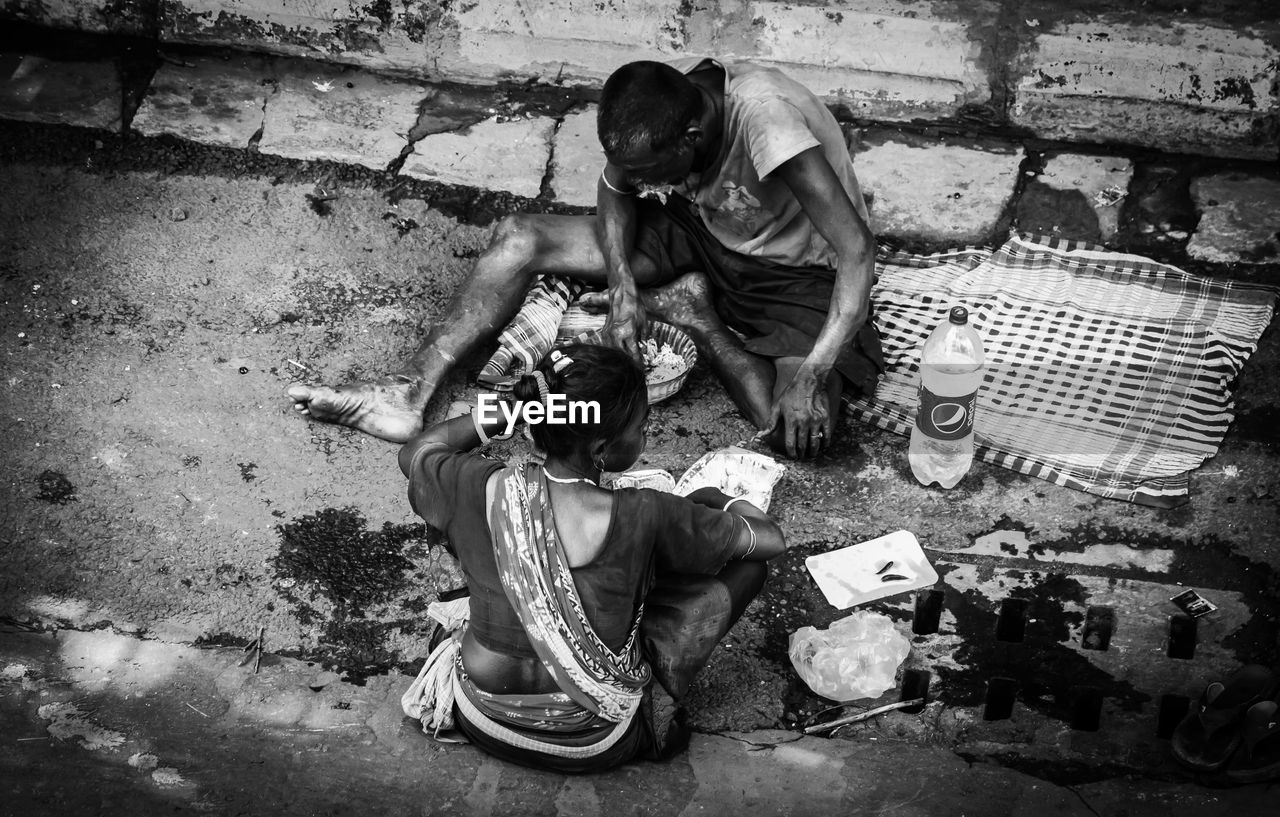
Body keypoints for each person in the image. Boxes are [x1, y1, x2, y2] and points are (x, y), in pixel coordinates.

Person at [289, 57, 882, 459]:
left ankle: (694, 311)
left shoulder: (766, 119)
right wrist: (623, 284)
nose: (643, 182)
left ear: (693, 139)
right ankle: (408, 390)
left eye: (656, 173)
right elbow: (616, 188)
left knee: (796, 432)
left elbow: (857, 250)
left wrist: (813, 370)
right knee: (521, 235)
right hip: (702, 230)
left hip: (795, 273)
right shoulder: (659, 115)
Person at [397, 344, 786, 772]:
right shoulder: (647, 513)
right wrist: (716, 499)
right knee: (746, 566)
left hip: (482, 718)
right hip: (594, 742)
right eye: (641, 427)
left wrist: (508, 411)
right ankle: (662, 686)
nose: (644, 435)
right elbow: (768, 541)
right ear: (602, 446)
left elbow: (415, 455)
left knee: (441, 505)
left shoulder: (474, 485)